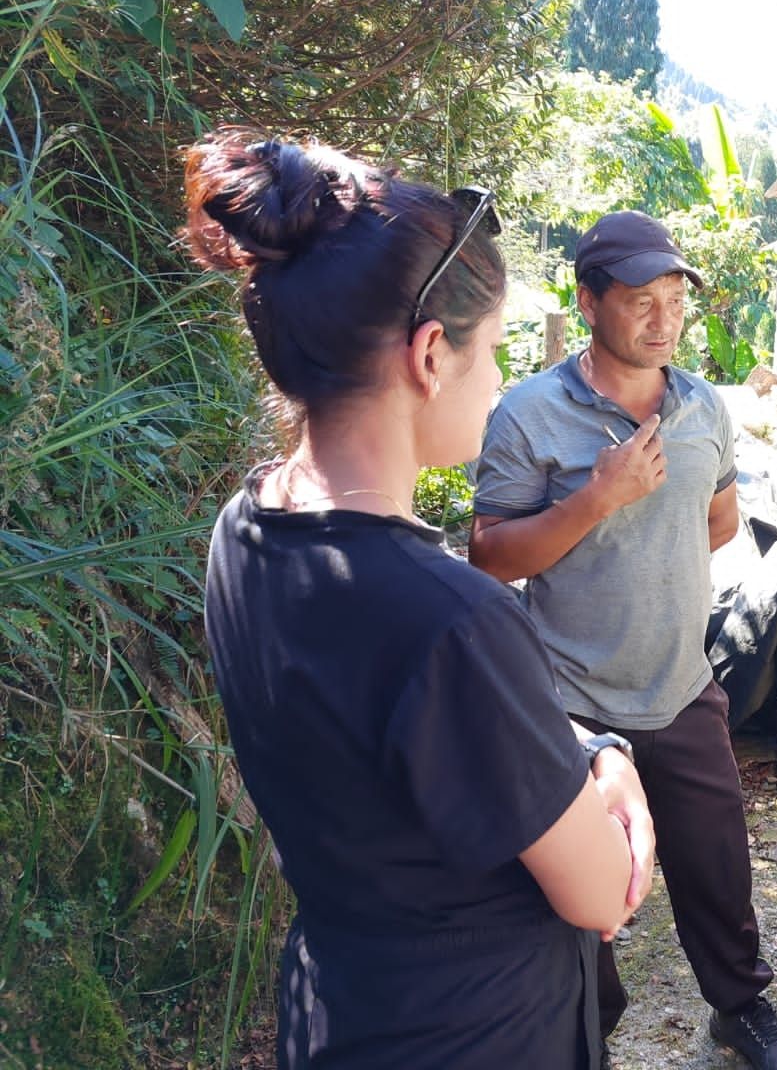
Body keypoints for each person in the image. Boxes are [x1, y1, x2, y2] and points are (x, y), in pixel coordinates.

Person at [187, 132, 654, 1069]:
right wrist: (616, 773)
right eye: (493, 354)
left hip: (339, 1009)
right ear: (431, 353)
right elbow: (603, 898)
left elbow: (394, 744)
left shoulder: (243, 532)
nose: (499, 385)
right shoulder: (452, 620)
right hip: (476, 1035)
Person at [468, 211, 777, 1070]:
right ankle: (589, 1025)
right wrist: (599, 501)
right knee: (584, 897)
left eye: (674, 301)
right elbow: (488, 559)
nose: (664, 320)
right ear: (587, 302)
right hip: (570, 703)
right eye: (639, 301)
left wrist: (645, 553)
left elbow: (718, 524)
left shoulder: (702, 408)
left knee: (716, 863)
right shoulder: (530, 416)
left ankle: (740, 1008)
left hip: (679, 681)